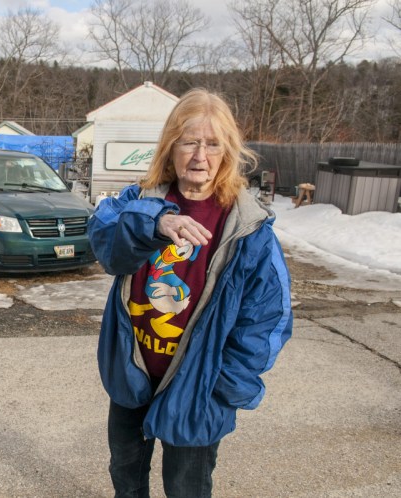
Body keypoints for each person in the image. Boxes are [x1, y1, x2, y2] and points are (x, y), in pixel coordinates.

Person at [88, 88, 293, 497]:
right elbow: (105, 240)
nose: (200, 156)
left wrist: (223, 389)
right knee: (126, 478)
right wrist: (154, 224)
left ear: (228, 151)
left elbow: (266, 320)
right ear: (171, 147)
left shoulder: (247, 228)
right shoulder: (141, 201)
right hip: (135, 376)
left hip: (198, 387)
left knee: (187, 489)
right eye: (189, 142)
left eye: (213, 143)